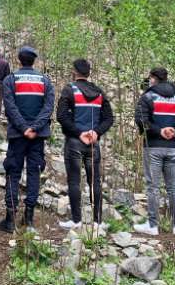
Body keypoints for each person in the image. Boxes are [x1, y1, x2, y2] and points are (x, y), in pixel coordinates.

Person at [0, 47, 55, 233]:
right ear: (34, 61)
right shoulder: (45, 81)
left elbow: (10, 106)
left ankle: (10, 218)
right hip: (37, 137)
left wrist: (23, 128)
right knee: (34, 173)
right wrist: (34, 128)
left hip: (17, 135)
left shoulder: (10, 79)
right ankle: (28, 217)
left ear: (19, 60)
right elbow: (48, 108)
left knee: (13, 172)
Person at [133, 67, 175, 236]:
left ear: (153, 78)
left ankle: (152, 225)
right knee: (173, 187)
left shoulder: (148, 97)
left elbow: (141, 121)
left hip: (153, 147)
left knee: (153, 187)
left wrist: (159, 131)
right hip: (173, 148)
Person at [56, 59, 113, 229]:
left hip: (74, 142)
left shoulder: (69, 89)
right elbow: (109, 118)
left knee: (74, 181)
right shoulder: (99, 92)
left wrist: (79, 133)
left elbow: (61, 116)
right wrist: (96, 132)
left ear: (74, 72)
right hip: (93, 145)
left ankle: (76, 220)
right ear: (88, 73)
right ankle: (97, 222)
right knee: (94, 182)